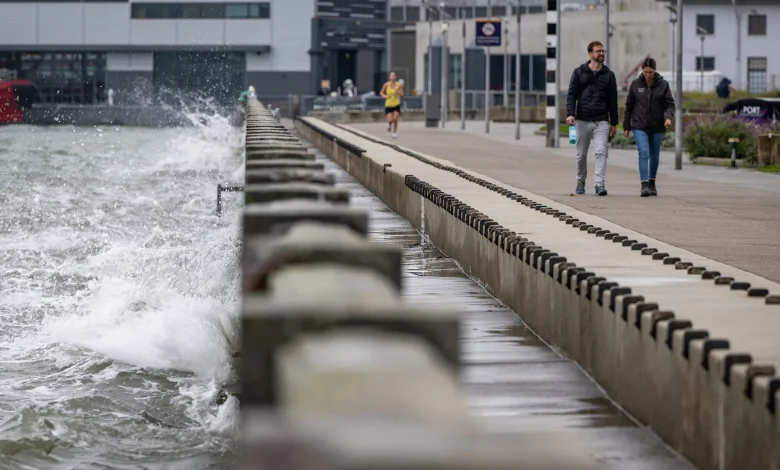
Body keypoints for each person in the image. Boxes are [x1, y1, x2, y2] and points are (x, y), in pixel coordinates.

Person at [566, 40, 619, 196]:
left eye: (603, 51)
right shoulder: (579, 72)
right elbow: (571, 95)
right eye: (598, 51)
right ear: (590, 54)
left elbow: (613, 100)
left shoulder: (609, 75)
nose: (601, 54)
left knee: (601, 152)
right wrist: (570, 113)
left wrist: (614, 122)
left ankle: (599, 183)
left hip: (601, 120)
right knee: (581, 154)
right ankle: (581, 180)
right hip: (582, 119)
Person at [623, 57, 675, 197]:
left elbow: (669, 104)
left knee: (654, 155)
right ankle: (644, 184)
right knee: (644, 153)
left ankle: (652, 182)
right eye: (645, 72)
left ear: (654, 70)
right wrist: (626, 126)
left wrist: (668, 118)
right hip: (639, 125)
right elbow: (629, 107)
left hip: (657, 125)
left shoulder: (663, 85)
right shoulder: (635, 84)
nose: (647, 75)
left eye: (650, 72)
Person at [380, 72, 403, 139]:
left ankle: (394, 132)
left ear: (395, 77)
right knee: (390, 120)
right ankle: (389, 125)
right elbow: (381, 92)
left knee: (395, 118)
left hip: (396, 104)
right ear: (390, 77)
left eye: (394, 76)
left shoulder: (398, 85)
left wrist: (397, 91)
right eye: (391, 76)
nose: (392, 77)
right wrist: (385, 96)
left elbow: (402, 95)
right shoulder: (386, 84)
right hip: (388, 104)